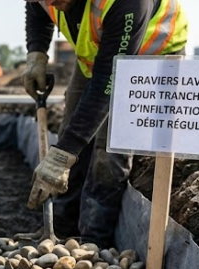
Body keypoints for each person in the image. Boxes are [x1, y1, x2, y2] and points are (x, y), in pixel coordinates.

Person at [23, 0, 188, 246]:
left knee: (108, 152)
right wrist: (36, 53)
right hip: (98, 55)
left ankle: (93, 242)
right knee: (70, 131)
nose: (49, 3)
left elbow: (106, 83)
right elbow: (36, 9)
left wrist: (62, 155)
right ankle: (62, 230)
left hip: (150, 56)